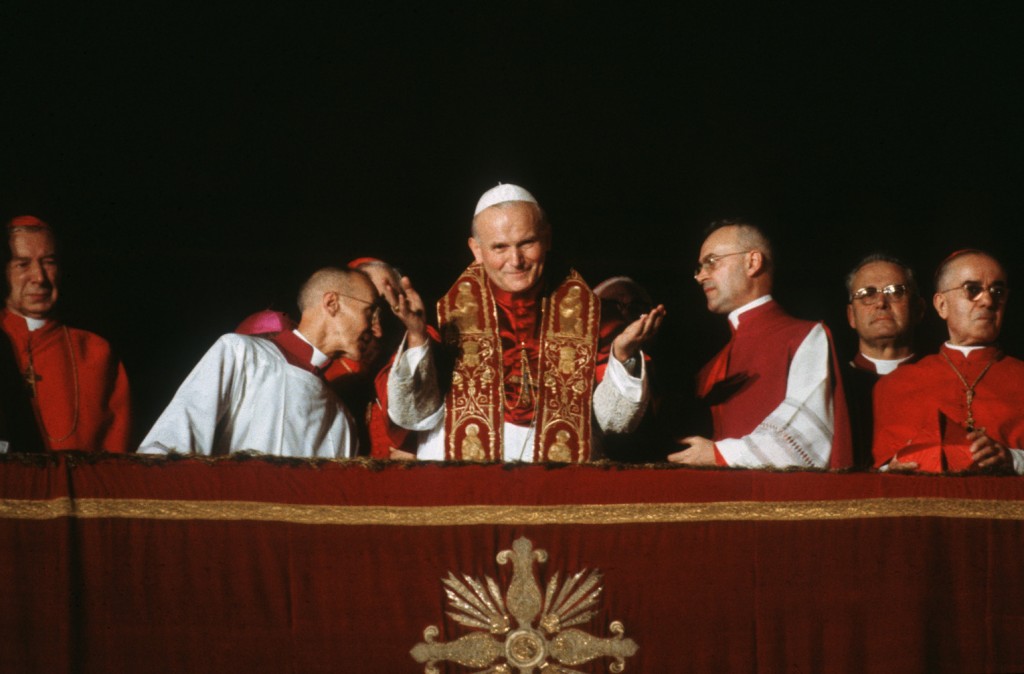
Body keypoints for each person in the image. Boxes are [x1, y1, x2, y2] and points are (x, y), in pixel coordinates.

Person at [383, 183, 665, 462]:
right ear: (477, 250)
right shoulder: (443, 315)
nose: (515, 260)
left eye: (527, 243)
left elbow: (615, 423)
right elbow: (413, 414)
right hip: (460, 484)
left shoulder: (596, 317)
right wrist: (417, 336)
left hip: (561, 484)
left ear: (547, 238)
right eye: (499, 247)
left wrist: (623, 356)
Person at [669, 219, 852, 469]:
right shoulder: (710, 368)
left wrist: (720, 454)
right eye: (699, 267)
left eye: (711, 262)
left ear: (752, 262)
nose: (701, 276)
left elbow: (808, 437)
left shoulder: (804, 337)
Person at [138, 267, 376, 457]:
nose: (376, 329)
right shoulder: (240, 353)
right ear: (332, 303)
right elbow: (172, 443)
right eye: (370, 312)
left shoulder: (342, 418)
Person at [872, 250, 1024, 474]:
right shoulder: (895, 385)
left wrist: (1012, 459)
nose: (989, 301)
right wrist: (892, 470)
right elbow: (878, 472)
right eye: (972, 290)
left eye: (998, 291)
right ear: (941, 305)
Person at [1, 215, 131, 453]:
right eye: (22, 264)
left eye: (48, 262)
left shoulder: (96, 351)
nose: (39, 278)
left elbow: (117, 456)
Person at [843, 253, 924, 467]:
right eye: (867, 293)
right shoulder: (835, 384)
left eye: (896, 292)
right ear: (851, 315)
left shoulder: (942, 378)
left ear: (918, 309)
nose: (881, 302)